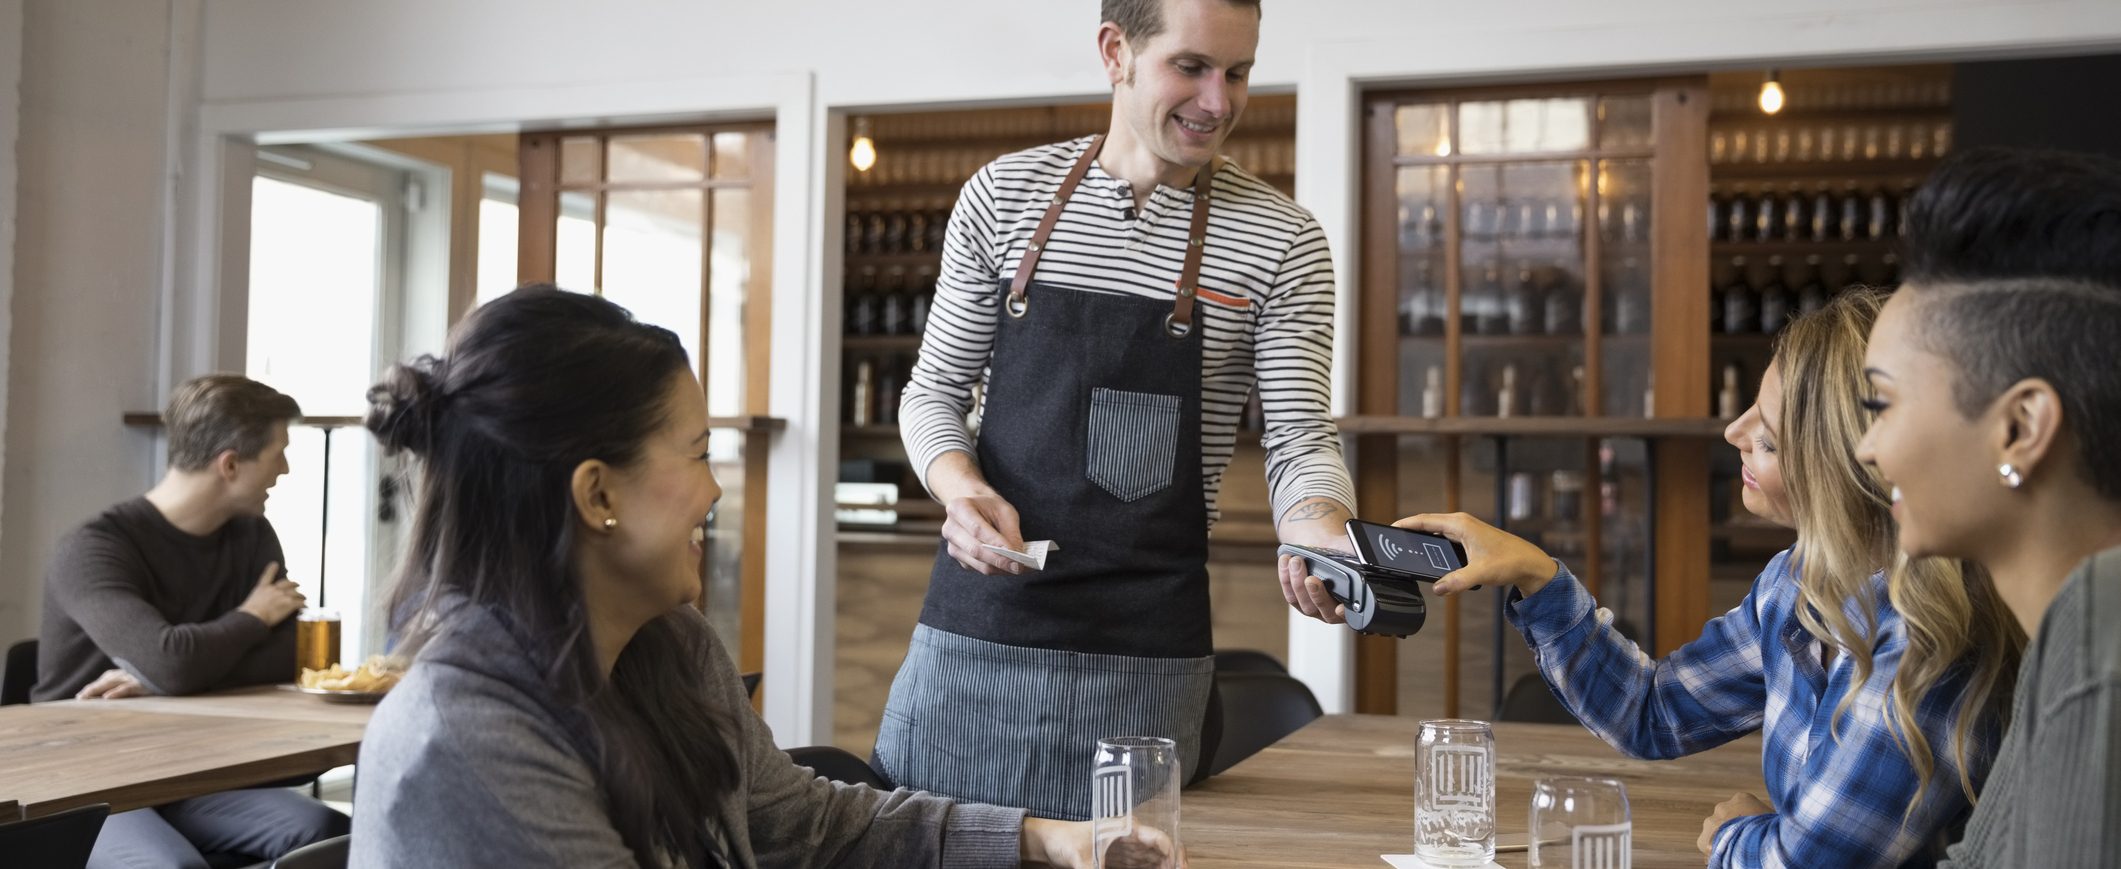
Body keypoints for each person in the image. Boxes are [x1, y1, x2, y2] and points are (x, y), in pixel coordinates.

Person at [350, 286, 1174, 869]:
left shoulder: (666, 647)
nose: (715, 493)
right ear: (597, 493)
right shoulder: (465, 745)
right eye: (700, 455)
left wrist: (1049, 837)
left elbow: (805, 827)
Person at [886, 0, 1356, 819]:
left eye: (1237, 72)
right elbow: (933, 392)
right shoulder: (1003, 196)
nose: (1219, 101)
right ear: (1116, 51)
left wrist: (1318, 524)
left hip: (1145, 651)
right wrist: (958, 490)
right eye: (1191, 67)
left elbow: (1298, 436)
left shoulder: (1283, 241)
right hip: (978, 631)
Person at [1397, 289, 2020, 868]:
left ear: (1844, 469)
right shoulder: (1798, 582)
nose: (1733, 433)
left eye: (1769, 439)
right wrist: (1538, 576)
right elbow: (1654, 711)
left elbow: (1803, 865)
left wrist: (1734, 835)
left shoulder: (1926, 636)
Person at [1852, 147, 2121, 867]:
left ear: (2020, 426)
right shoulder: (2064, 631)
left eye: (1880, 403)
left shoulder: (2105, 621)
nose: (1864, 448)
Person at [35, 373, 350, 868]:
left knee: (329, 833)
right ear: (229, 464)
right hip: (81, 783)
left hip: (187, 773)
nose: (285, 469)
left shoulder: (251, 536)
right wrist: (250, 618)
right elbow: (172, 661)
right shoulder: (94, 549)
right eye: (278, 453)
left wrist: (162, 679)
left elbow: (292, 655)